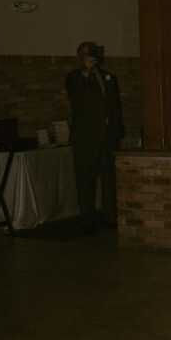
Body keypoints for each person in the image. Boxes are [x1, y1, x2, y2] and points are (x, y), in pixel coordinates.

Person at [65, 42, 124, 233]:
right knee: (85, 178)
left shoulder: (109, 77)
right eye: (86, 54)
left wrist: (118, 129)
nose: (90, 57)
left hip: (107, 135)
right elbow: (77, 99)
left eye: (93, 53)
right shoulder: (74, 77)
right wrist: (85, 72)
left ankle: (109, 215)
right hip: (86, 137)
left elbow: (115, 105)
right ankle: (86, 217)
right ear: (80, 57)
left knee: (109, 178)